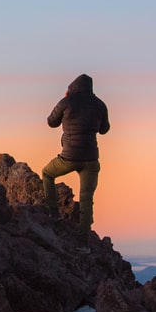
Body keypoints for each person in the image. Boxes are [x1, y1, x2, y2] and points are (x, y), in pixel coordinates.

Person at [43, 73, 109, 229]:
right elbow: (104, 129)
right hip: (91, 159)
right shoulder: (100, 104)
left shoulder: (66, 102)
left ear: (72, 88)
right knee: (86, 198)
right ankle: (84, 243)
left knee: (47, 173)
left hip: (69, 157)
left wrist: (65, 99)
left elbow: (51, 122)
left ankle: (54, 214)